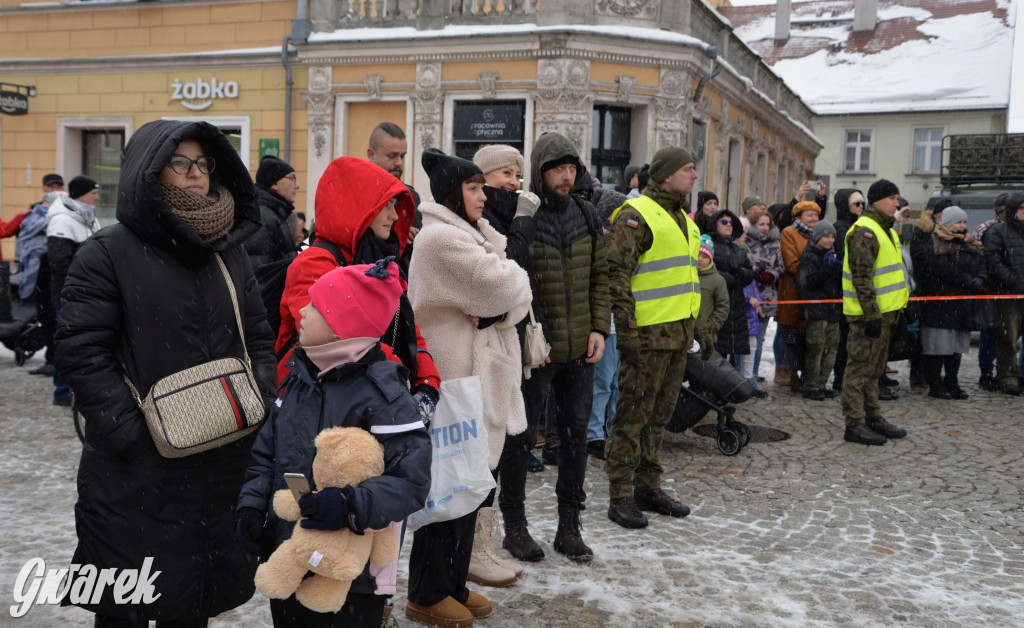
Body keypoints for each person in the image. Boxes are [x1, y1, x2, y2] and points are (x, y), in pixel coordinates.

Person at [54, 119, 278, 626]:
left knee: (191, 601)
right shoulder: (107, 254)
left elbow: (259, 336)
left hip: (218, 464)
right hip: (133, 473)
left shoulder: (230, 249)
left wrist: (259, 395)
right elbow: (81, 352)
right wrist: (130, 433)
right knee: (126, 603)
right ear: (150, 171)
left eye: (203, 163)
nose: (196, 174)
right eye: (181, 163)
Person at [237, 259, 431, 628]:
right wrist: (252, 507)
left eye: (315, 306)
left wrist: (349, 505)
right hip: (292, 550)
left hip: (353, 574)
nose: (303, 312)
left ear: (343, 326)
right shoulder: (298, 379)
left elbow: (412, 480)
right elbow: (266, 456)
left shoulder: (384, 395)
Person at [406, 148, 532, 627]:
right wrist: (508, 293)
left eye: (483, 187)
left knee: (471, 486)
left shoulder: (472, 234)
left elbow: (510, 294)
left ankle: (453, 584)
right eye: (474, 188)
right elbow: (506, 284)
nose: (485, 196)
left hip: (474, 374)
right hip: (453, 374)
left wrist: (504, 301)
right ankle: (427, 592)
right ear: (452, 194)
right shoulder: (441, 239)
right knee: (450, 487)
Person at [500, 132, 610, 562]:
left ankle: (569, 527)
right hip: (536, 351)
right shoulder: (523, 214)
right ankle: (515, 527)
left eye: (571, 169)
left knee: (575, 437)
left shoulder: (586, 212)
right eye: (557, 169)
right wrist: (533, 334)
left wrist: (599, 327)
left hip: (581, 349)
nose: (565, 177)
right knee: (521, 437)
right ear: (542, 171)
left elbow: (600, 276)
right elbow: (513, 278)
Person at [274, 157, 440, 407]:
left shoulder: (380, 261)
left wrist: (428, 383)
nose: (395, 215)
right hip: (318, 406)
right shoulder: (313, 263)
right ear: (361, 208)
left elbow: (407, 329)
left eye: (396, 205)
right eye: (387, 205)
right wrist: (398, 377)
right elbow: (336, 341)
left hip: (369, 397)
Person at [605, 145, 700, 529]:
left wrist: (699, 330)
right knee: (632, 416)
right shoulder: (635, 215)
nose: (694, 175)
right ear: (665, 175)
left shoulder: (685, 220)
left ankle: (648, 485)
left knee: (659, 418)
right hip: (645, 337)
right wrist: (627, 333)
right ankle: (621, 494)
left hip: (676, 337)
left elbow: (685, 278)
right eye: (688, 169)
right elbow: (617, 277)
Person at [470, 143, 541, 586]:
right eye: (506, 175)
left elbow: (525, 282)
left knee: (508, 443)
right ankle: (473, 551)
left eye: (518, 175)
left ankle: (484, 544)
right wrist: (522, 221)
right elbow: (513, 266)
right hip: (484, 351)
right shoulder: (488, 220)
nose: (514, 183)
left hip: (510, 344)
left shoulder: (509, 213)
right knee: (484, 450)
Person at [840, 179, 910, 445]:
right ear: (877, 201)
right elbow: (862, 278)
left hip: (885, 315)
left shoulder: (887, 230)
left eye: (897, 198)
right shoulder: (864, 231)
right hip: (866, 317)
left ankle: (873, 418)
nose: (897, 203)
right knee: (858, 371)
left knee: (874, 371)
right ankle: (854, 424)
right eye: (892, 198)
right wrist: (870, 315)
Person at [913, 206, 983, 400]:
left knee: (956, 347)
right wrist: (968, 280)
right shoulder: (932, 243)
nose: (962, 226)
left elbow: (978, 264)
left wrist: (978, 279)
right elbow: (940, 269)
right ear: (947, 223)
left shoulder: (967, 244)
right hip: (939, 303)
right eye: (958, 222)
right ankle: (935, 384)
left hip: (961, 305)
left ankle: (952, 382)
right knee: (937, 347)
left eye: (964, 222)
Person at [47, 175, 102, 407]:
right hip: (69, 295)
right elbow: (60, 263)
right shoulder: (61, 220)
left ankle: (80, 388)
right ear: (80, 194)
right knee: (67, 344)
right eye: (93, 193)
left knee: (86, 344)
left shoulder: (89, 217)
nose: (97, 197)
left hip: (90, 294)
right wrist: (70, 294)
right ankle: (61, 391)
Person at [587, 188, 630, 462]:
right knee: (603, 381)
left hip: (623, 323)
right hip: (607, 325)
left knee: (617, 383)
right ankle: (594, 434)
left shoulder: (626, 241)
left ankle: (614, 429)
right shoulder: (601, 242)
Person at [982, 191, 1024, 396]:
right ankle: (1007, 375)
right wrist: (1015, 282)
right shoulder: (997, 232)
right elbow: (993, 262)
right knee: (1008, 336)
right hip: (1008, 295)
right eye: (1022, 208)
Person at [777, 200, 820, 393]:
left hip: (815, 292)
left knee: (811, 339)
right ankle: (794, 375)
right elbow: (792, 263)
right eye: (809, 215)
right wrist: (814, 273)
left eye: (815, 215)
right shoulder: (789, 233)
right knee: (793, 337)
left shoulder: (818, 234)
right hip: (794, 291)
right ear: (799, 217)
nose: (813, 219)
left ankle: (808, 376)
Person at [796, 220, 842, 400]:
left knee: (832, 349)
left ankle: (822, 383)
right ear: (818, 237)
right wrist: (826, 268)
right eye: (827, 237)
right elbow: (809, 284)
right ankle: (810, 385)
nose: (831, 240)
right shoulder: (809, 256)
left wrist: (836, 268)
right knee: (816, 348)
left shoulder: (831, 255)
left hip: (833, 310)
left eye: (832, 237)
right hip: (817, 311)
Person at [831, 189, 865, 391]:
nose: (861, 207)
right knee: (844, 340)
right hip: (844, 292)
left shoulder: (859, 225)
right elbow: (847, 257)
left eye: (862, 203)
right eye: (856, 204)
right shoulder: (841, 227)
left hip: (857, 292)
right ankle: (840, 379)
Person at [974, 193, 1009, 391]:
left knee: (1009, 335)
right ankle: (986, 373)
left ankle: (1006, 373)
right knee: (988, 333)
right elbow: (980, 258)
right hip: (991, 287)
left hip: (1011, 288)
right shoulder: (984, 228)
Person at [745, 208, 784, 382]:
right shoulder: (746, 241)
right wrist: (756, 272)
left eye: (768, 224)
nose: (765, 228)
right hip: (751, 294)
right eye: (761, 224)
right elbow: (744, 263)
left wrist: (772, 274)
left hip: (768, 295)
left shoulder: (775, 243)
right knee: (749, 338)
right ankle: (745, 373)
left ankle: (753, 373)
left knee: (760, 338)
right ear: (754, 224)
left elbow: (781, 266)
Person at [245, 154, 300, 268]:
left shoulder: (273, 213)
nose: (297, 186)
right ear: (274, 184)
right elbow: (258, 271)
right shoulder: (263, 216)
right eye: (292, 179)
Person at [695, 234, 730, 360]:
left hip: (705, 336)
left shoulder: (717, 280)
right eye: (697, 255)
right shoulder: (686, 275)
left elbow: (723, 307)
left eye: (704, 256)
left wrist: (709, 326)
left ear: (710, 259)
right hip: (685, 336)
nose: (699, 259)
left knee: (702, 373)